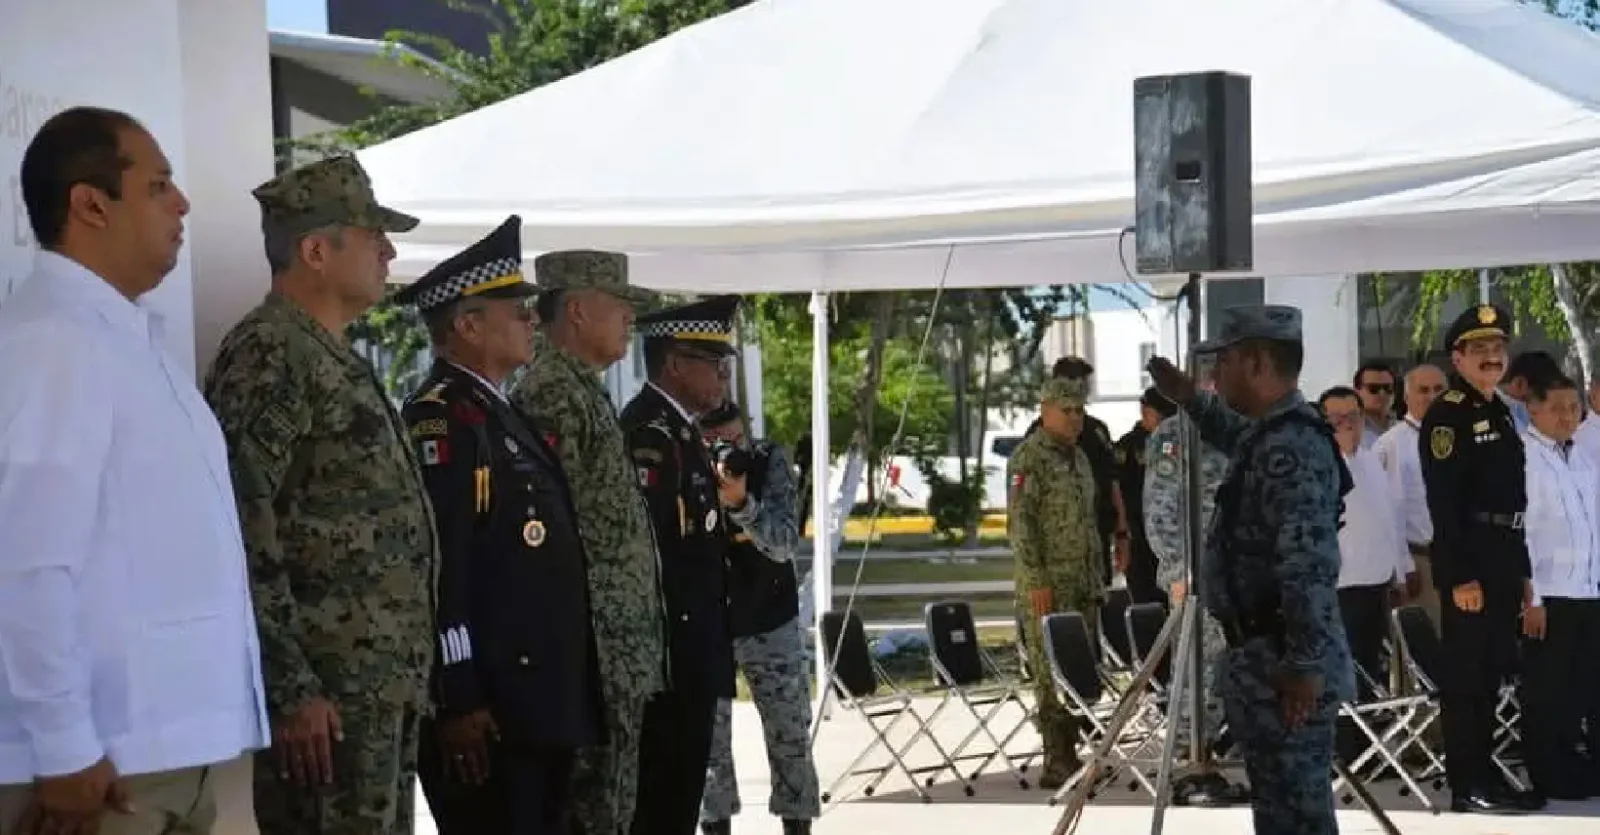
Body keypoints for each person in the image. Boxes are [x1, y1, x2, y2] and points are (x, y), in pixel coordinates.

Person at [0, 106, 269, 835]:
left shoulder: (122, 341)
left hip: (157, 753)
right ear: (90, 204)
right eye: (157, 186)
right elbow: (27, 562)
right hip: (99, 771)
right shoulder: (55, 342)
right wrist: (63, 750)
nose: (182, 203)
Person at [204, 154, 438, 835]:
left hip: (375, 687)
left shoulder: (328, 352)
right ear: (315, 249)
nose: (389, 251)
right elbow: (243, 524)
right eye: (372, 236)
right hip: (328, 698)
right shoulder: (271, 352)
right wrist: (293, 685)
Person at [397, 217, 604, 834]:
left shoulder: (497, 413)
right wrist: (457, 695)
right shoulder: (444, 421)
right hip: (493, 708)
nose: (532, 322)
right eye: (516, 311)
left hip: (539, 700)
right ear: (466, 326)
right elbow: (444, 565)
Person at [1147, 304, 1354, 835]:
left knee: (1298, 817)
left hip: (1285, 664)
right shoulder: (1273, 436)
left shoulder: (1292, 447)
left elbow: (1307, 564)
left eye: (1227, 362)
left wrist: (1305, 662)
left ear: (1259, 363)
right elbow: (1233, 433)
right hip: (1269, 657)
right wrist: (1190, 399)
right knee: (1280, 812)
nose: (1216, 375)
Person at [509, 250, 664, 835]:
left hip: (613, 653)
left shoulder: (580, 388)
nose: (630, 318)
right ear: (576, 310)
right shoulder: (552, 391)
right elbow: (549, 534)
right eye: (619, 305)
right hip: (591, 655)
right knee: (589, 814)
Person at [1418, 303, 1544, 814]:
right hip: (1471, 557)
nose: (1493, 357)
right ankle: (1467, 783)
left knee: (1491, 671)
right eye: (1481, 350)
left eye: (1498, 348)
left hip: (1503, 554)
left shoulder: (1494, 409)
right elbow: (1444, 504)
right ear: (1458, 356)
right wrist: (1460, 576)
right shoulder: (1449, 413)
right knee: (1468, 676)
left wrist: (1523, 572)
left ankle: (1484, 769)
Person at [623, 296, 741, 835]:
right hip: (668, 656)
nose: (722, 373)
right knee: (660, 805)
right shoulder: (649, 433)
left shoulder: (682, 431)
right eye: (710, 360)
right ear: (673, 364)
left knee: (679, 802)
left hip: (693, 650)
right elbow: (651, 551)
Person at [697, 403, 820, 835]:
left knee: (790, 738)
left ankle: (797, 827)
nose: (729, 454)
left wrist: (741, 504)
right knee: (709, 750)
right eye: (716, 445)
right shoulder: (688, 466)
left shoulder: (769, 462)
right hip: (710, 622)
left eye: (735, 442)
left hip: (770, 619)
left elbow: (784, 543)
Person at [1142, 356, 1237, 804]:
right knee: (1197, 672)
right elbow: (1160, 511)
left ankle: (1210, 757)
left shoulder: (1237, 429)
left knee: (1224, 674)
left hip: (1236, 576)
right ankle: (1186, 763)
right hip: (1197, 577)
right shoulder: (1174, 435)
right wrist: (1178, 571)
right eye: (1210, 379)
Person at [1007, 376, 1103, 790]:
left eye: (1080, 410)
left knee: (1081, 668)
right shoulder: (1029, 458)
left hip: (1082, 582)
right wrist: (1036, 579)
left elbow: (1088, 520)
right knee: (1049, 672)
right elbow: (1021, 525)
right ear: (1045, 410)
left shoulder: (1079, 458)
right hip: (1048, 584)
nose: (1075, 418)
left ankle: (1075, 749)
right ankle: (1055, 757)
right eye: (1067, 410)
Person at [1319, 386, 1414, 767]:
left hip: (1375, 583)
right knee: (1341, 672)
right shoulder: (1319, 461)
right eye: (1336, 419)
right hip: (1338, 586)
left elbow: (1391, 517)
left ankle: (1365, 749)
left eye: (1352, 417)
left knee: (1369, 671)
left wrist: (1401, 570)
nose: (1346, 425)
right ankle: (1343, 751)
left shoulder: (1372, 458)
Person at [1517, 373, 1600, 800]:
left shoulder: (1581, 457)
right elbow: (1523, 533)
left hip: (1588, 589)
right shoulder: (1524, 456)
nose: (1568, 416)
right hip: (1550, 594)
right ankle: (1548, 773)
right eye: (1557, 408)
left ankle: (1576, 768)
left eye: (1574, 408)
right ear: (1533, 408)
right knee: (1548, 689)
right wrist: (1532, 597)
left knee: (1581, 686)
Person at [1025, 358, 1132, 582]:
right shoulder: (1037, 438)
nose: (1083, 389)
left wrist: (1122, 533)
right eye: (1077, 382)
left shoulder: (1095, 432)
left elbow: (1112, 482)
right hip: (1055, 551)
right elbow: (1024, 513)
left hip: (1094, 540)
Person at [1373, 364, 1447, 630]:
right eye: (1423, 390)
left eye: (1439, 389)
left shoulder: (1459, 437)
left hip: (1460, 561)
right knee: (1428, 647)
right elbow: (1390, 511)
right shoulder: (1391, 445)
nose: (1432, 396)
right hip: (1420, 561)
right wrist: (1403, 568)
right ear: (1406, 398)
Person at [1114, 388, 1176, 605]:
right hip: (1138, 534)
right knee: (1144, 597)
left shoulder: (1175, 442)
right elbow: (1118, 488)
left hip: (1169, 535)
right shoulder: (1129, 445)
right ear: (1145, 410)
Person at [1353, 361, 1397, 449]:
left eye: (1388, 388)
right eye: (1373, 388)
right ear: (1356, 392)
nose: (1382, 393)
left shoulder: (1405, 427)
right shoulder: (1350, 430)